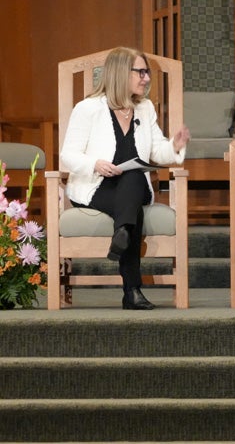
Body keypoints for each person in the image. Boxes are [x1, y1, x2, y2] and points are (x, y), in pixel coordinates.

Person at [60, 47, 190, 310]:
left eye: (147, 72)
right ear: (121, 73)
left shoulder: (144, 109)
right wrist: (95, 164)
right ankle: (131, 290)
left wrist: (175, 145)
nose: (146, 78)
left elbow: (157, 151)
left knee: (132, 176)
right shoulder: (88, 109)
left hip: (133, 186)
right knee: (132, 215)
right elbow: (68, 155)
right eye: (140, 72)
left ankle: (122, 235)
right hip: (97, 187)